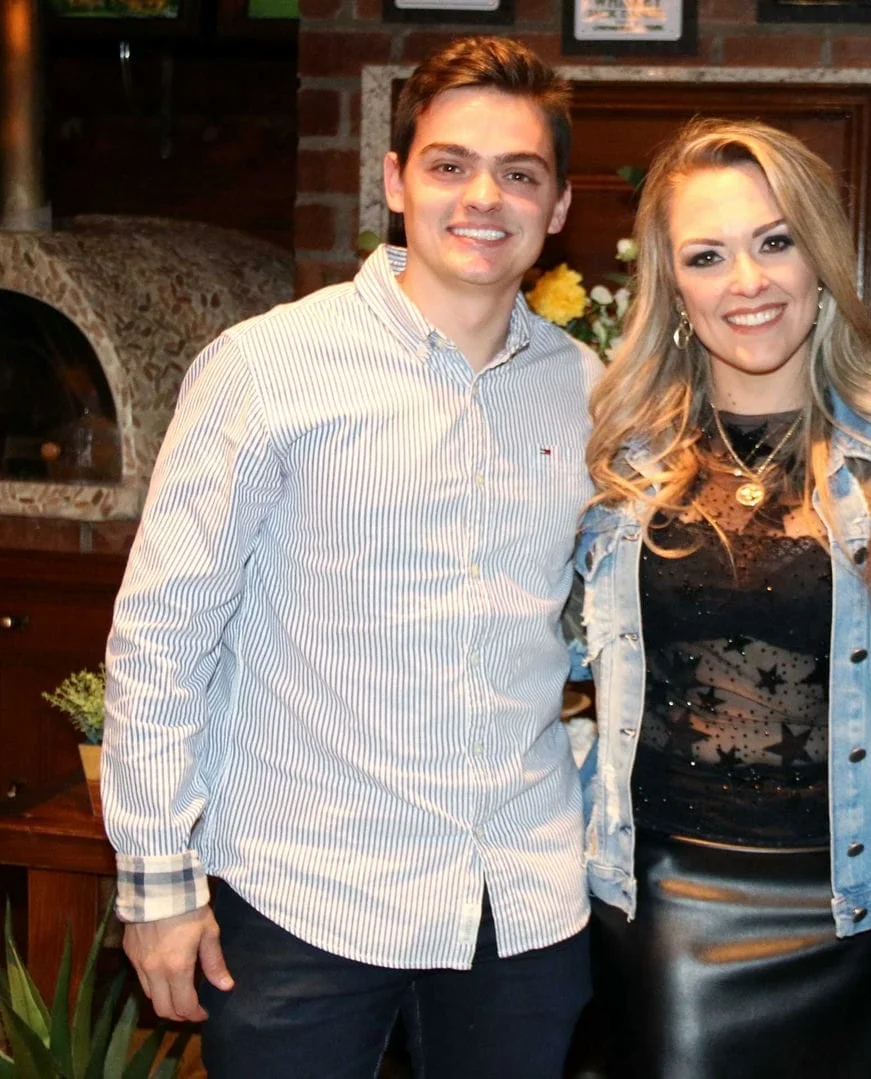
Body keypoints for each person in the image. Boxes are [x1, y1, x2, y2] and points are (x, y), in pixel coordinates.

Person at [101, 36, 600, 1079]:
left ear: (557, 207)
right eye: (450, 164)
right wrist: (156, 885)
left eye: (520, 174)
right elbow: (163, 633)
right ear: (395, 181)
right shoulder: (267, 368)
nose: (484, 197)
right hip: (304, 898)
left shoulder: (590, 390)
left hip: (518, 900)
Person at [575, 117, 871, 1079]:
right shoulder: (614, 463)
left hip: (859, 901)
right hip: (671, 901)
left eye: (776, 241)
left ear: (821, 261)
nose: (747, 281)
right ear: (673, 286)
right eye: (707, 255)